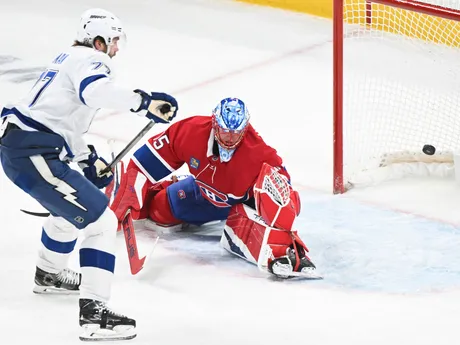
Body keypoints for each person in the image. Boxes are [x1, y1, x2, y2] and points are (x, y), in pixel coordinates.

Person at [0, 8, 178, 341]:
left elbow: (60, 119)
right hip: (32, 152)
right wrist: (145, 102)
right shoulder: (92, 59)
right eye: (112, 41)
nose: (115, 48)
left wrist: (84, 160)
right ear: (98, 41)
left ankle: (49, 275)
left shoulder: (69, 57)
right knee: (101, 221)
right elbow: (93, 93)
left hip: (31, 147)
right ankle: (94, 315)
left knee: (72, 210)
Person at [109, 97, 317, 279]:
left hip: (237, 206)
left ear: (244, 129)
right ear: (215, 123)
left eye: (236, 133)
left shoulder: (260, 155)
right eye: (225, 132)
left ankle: (288, 251)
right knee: (159, 210)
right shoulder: (190, 131)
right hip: (202, 191)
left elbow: (284, 196)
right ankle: (165, 187)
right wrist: (129, 194)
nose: (229, 139)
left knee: (253, 231)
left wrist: (283, 216)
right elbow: (144, 163)